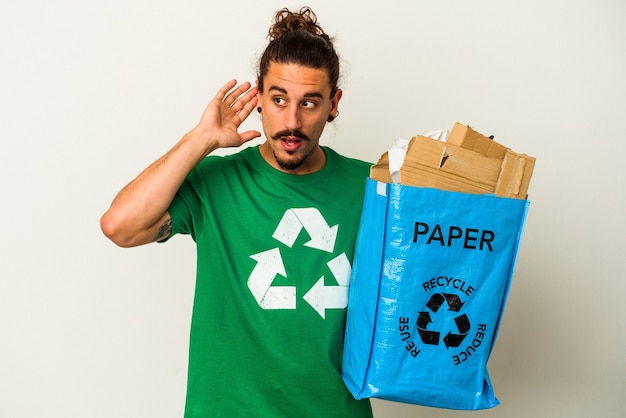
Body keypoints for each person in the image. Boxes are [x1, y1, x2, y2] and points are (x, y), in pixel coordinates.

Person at [101, 7, 373, 418]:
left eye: (310, 103)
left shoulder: (374, 187)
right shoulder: (216, 182)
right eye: (279, 100)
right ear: (259, 97)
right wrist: (201, 139)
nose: (292, 122)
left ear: (333, 104)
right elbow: (120, 226)